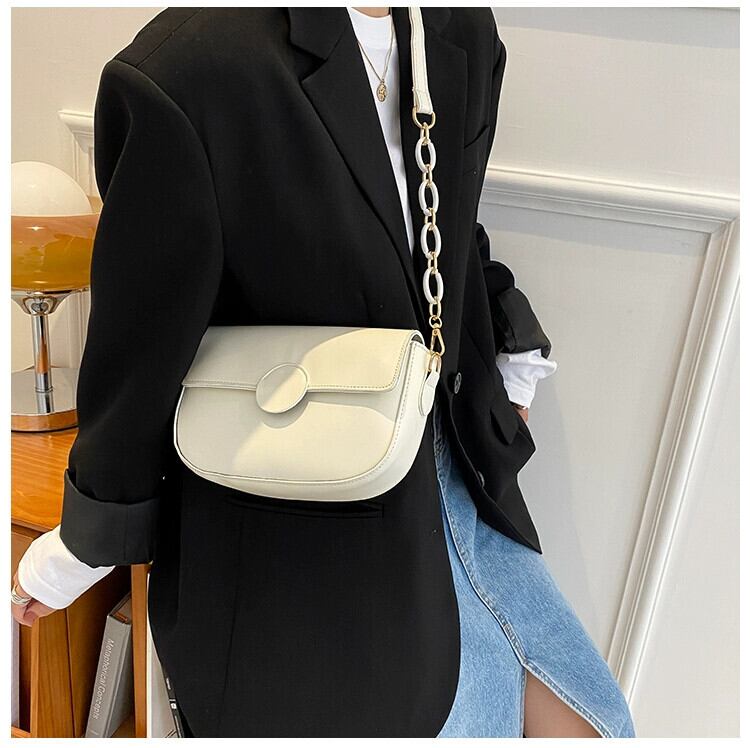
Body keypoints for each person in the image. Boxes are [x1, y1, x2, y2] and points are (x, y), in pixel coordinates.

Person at [11, 7, 635, 738]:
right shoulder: (189, 69)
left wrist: (510, 351)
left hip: (455, 473)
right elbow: (142, 342)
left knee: (599, 724)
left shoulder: (459, 29)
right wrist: (87, 543)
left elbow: (444, 224)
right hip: (302, 530)